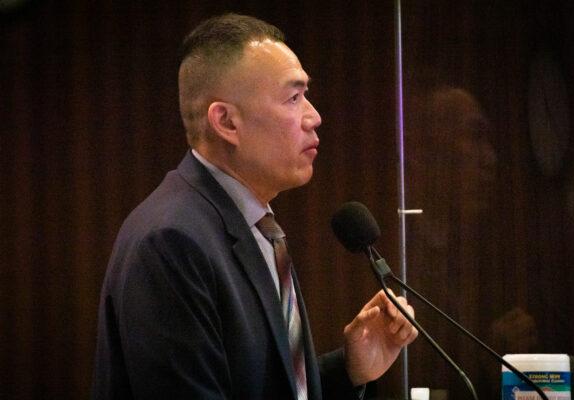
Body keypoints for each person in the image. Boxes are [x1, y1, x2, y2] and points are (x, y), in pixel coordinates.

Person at [92, 13, 417, 400]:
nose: (314, 117)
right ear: (227, 121)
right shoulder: (172, 241)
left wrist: (349, 369)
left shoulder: (255, 224)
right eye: (294, 97)